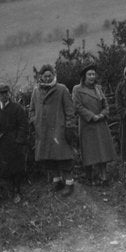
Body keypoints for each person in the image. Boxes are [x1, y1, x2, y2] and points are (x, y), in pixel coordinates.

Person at [29, 63, 77, 194]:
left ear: (53, 76)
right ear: (41, 77)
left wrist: (69, 127)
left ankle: (69, 183)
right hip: (43, 131)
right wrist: (35, 121)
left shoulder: (61, 89)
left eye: (50, 76)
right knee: (49, 157)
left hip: (59, 130)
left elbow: (69, 110)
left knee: (64, 157)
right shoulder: (36, 91)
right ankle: (57, 181)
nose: (48, 78)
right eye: (45, 76)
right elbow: (32, 110)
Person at [72, 63, 117, 185]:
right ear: (84, 76)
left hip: (101, 123)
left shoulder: (98, 88)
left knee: (102, 150)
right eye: (89, 74)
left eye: (93, 74)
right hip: (87, 124)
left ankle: (103, 176)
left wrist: (102, 114)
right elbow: (77, 106)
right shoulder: (77, 89)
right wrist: (92, 116)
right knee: (89, 151)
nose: (92, 77)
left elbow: (105, 104)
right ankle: (89, 177)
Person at [0, 83, 28, 197]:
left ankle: (16, 190)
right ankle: (0, 191)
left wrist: (18, 141)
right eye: (0, 94)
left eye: (5, 93)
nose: (3, 96)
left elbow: (23, 126)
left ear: (9, 94)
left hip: (12, 143)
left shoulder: (17, 108)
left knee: (15, 168)